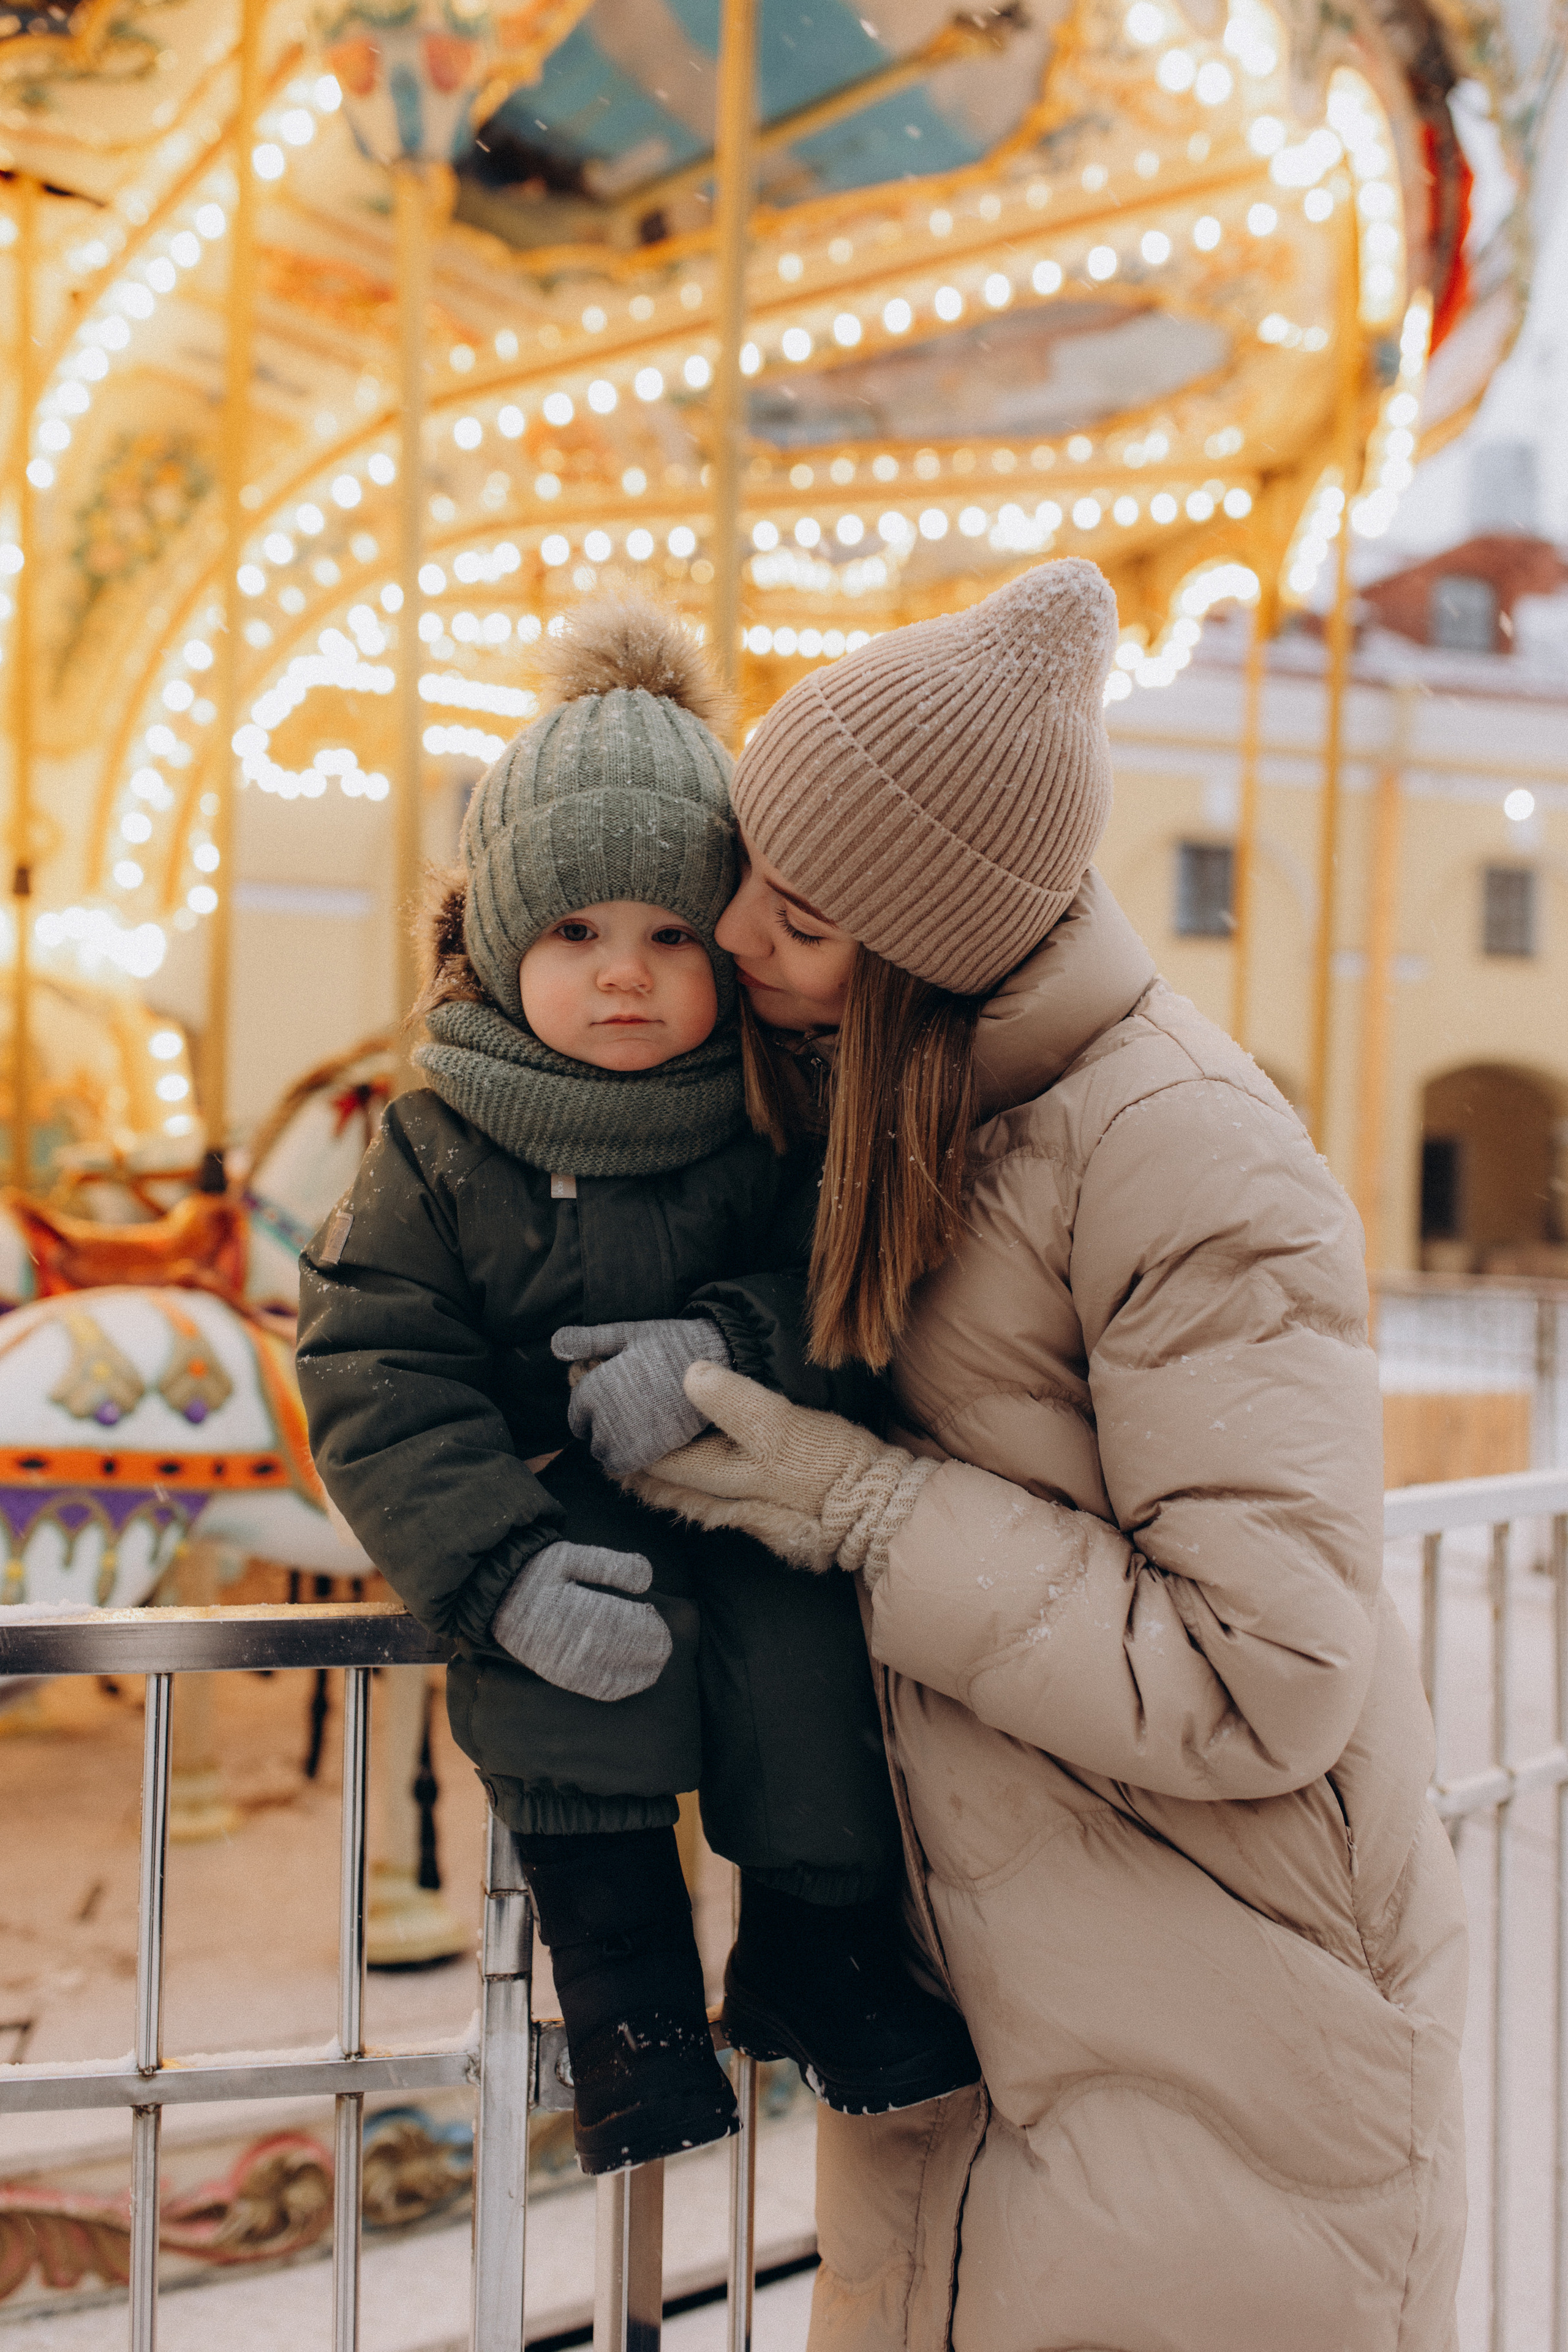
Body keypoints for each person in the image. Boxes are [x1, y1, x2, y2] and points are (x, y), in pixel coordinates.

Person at [565, 562, 1468, 2348]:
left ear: (924, 950)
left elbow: (1269, 1673)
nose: (738, 937)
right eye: (749, 869)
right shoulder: (920, 1115)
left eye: (803, 915)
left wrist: (871, 1509)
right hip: (1008, 2018)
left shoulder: (1186, 1156)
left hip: (1220, 2031)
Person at [295, 593, 978, 2180]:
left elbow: (844, 1280)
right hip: (545, 1518)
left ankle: (821, 1954)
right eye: (578, 933)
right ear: (495, 936)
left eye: (674, 934)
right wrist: (492, 1566)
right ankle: (628, 2018)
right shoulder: (436, 1143)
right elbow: (373, 1356)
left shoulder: (768, 1110)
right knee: (566, 1694)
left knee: (811, 1671)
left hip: (741, 1497)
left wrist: (724, 1349)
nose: (627, 976)